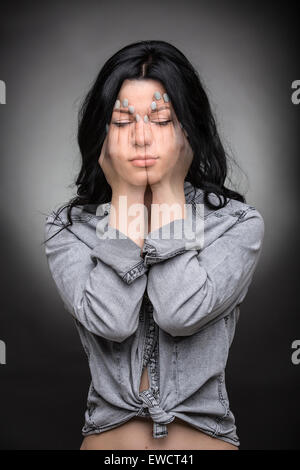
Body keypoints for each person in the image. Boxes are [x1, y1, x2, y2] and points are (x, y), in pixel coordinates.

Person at [43, 40, 265, 450]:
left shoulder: (235, 224)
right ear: (102, 132)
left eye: (161, 119)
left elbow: (180, 313)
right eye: (123, 121)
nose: (142, 138)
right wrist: (125, 196)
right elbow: (112, 321)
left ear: (188, 130)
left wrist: (166, 190)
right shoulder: (69, 228)